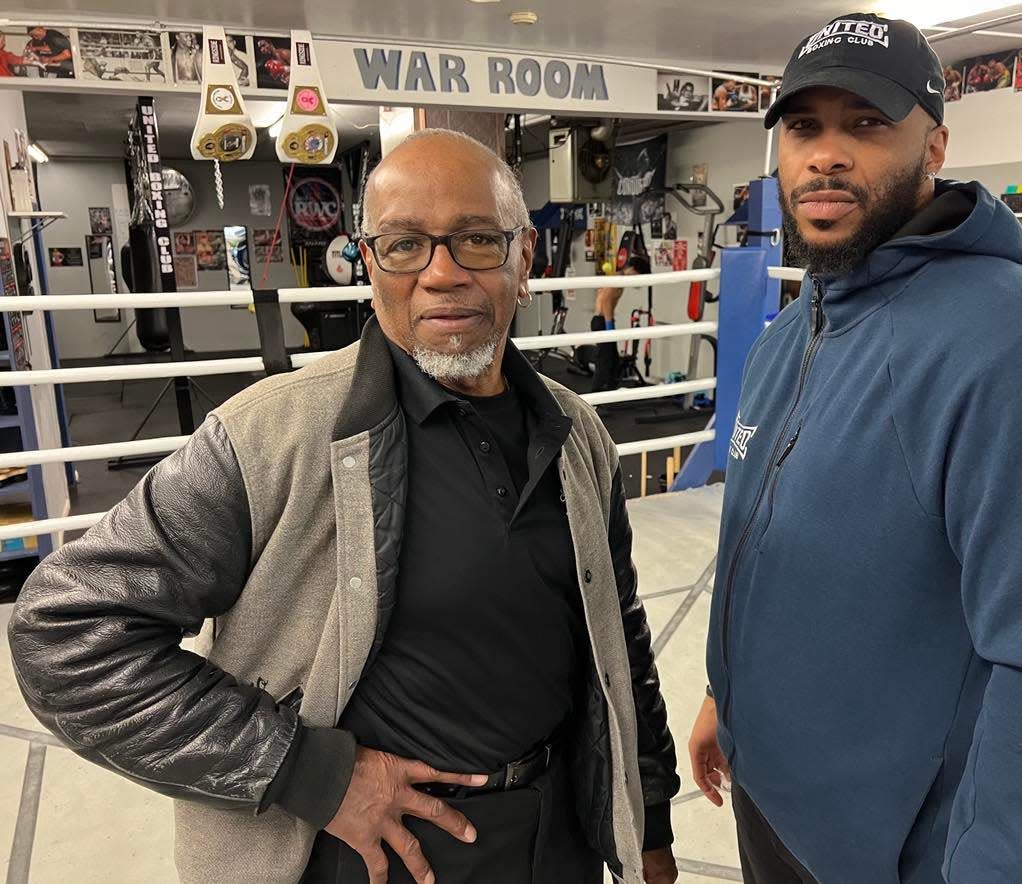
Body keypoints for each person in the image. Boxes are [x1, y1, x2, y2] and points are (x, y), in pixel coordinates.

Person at [10, 129, 681, 884]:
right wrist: (311, 774)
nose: (441, 274)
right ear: (369, 266)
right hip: (374, 857)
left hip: (557, 843)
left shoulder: (575, 433)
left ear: (525, 259)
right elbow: (64, 633)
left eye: (476, 241)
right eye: (403, 246)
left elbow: (616, 633)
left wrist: (646, 816)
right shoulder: (272, 436)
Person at [689, 12, 1022, 883]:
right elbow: (771, 542)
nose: (826, 154)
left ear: (934, 144)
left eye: (866, 123)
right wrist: (728, 689)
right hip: (774, 804)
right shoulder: (796, 331)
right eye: (804, 126)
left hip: (895, 856)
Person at [590, 254, 651, 392]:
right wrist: (609, 325)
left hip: (604, 321)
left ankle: (611, 391)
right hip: (602, 321)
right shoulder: (617, 279)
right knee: (604, 359)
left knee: (613, 359)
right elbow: (605, 301)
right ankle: (595, 396)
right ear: (634, 270)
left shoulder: (619, 278)